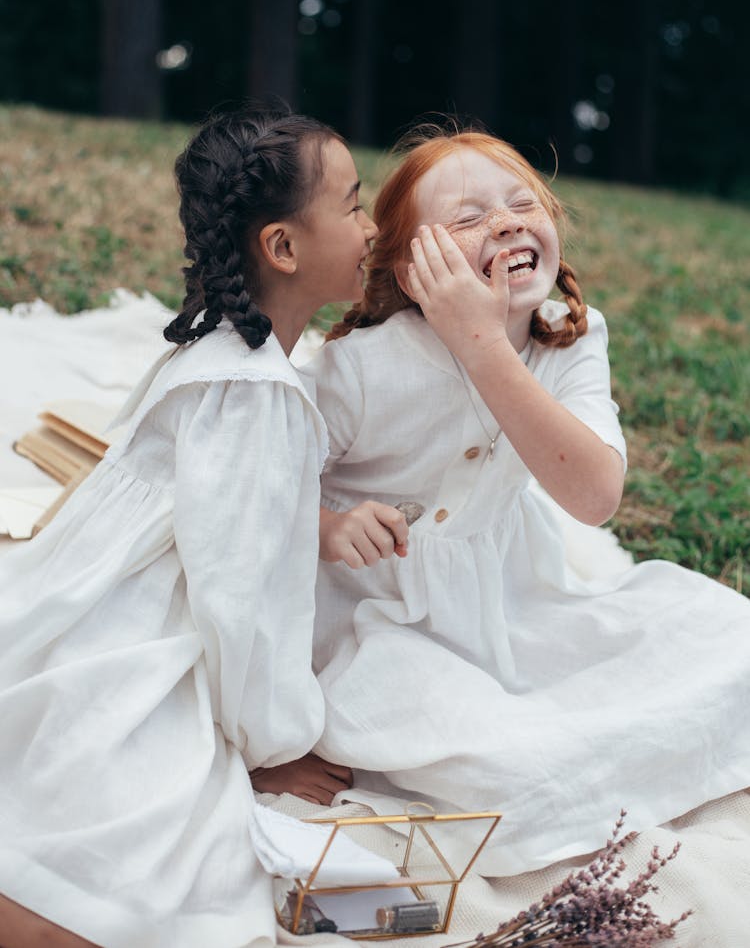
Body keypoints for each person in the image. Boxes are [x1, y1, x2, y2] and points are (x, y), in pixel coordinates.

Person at [303, 124, 750, 877]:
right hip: (370, 618)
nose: (507, 221)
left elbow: (596, 495)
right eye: (469, 217)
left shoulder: (568, 338)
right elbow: (258, 490)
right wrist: (326, 526)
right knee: (520, 774)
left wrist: (484, 343)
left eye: (522, 203)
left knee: (728, 637)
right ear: (413, 272)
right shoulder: (360, 369)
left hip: (511, 603)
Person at [0, 106, 375, 948]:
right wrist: (271, 741)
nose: (372, 225)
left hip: (75, 595)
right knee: (157, 857)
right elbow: (240, 598)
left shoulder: (213, 349)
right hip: (130, 627)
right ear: (282, 247)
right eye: (353, 205)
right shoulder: (258, 394)